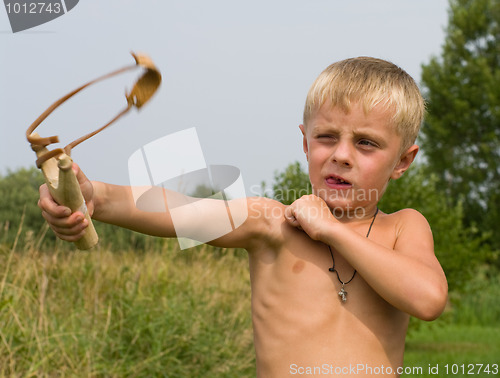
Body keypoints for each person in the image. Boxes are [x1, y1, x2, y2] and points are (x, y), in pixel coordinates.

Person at [38, 57, 448, 377]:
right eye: (326, 137)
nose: (341, 154)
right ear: (305, 143)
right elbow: (180, 210)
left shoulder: (404, 227)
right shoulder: (273, 223)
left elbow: (427, 299)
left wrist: (331, 231)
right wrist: (97, 196)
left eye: (366, 143)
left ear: (403, 160)